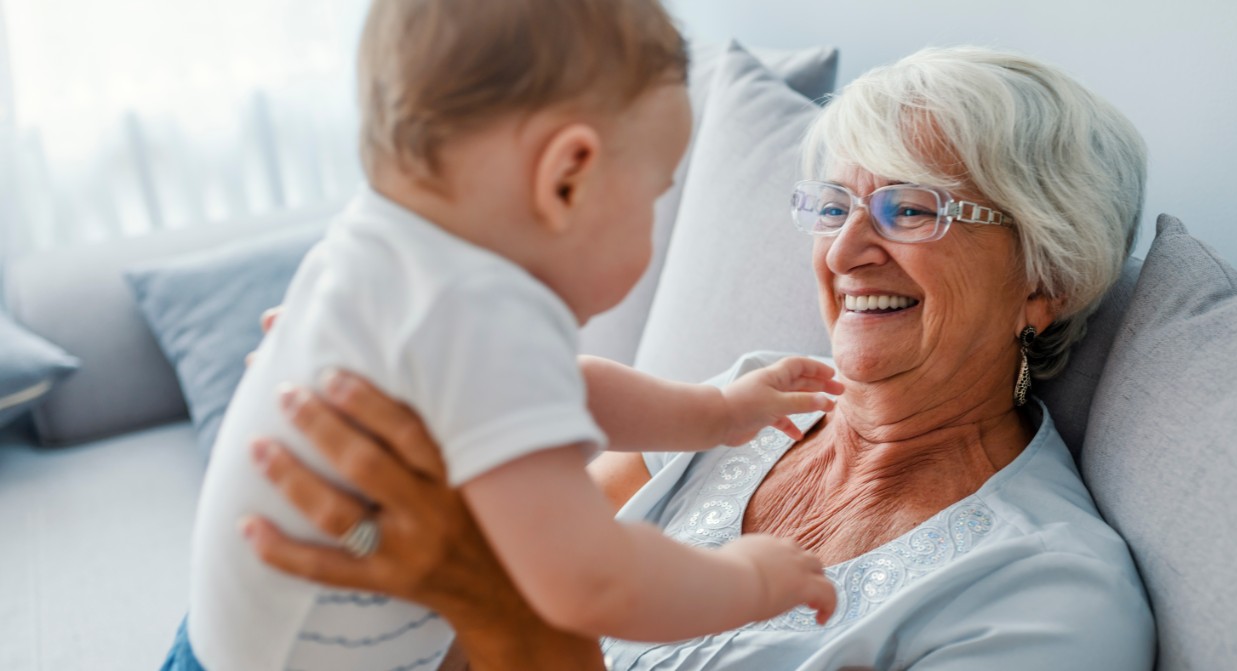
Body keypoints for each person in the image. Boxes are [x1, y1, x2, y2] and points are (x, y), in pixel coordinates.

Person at [240, 46, 1159, 670]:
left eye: (911, 210)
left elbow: (505, 608)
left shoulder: (1047, 597)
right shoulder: (748, 405)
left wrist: (491, 608)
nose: (843, 253)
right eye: (834, 205)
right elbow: (513, 566)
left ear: (1049, 277)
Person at [164, 1, 842, 670]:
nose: (650, 228)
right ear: (566, 178)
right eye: (652, 198)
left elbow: (567, 387)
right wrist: (750, 581)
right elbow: (592, 580)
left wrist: (715, 412)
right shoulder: (483, 315)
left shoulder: (380, 251)